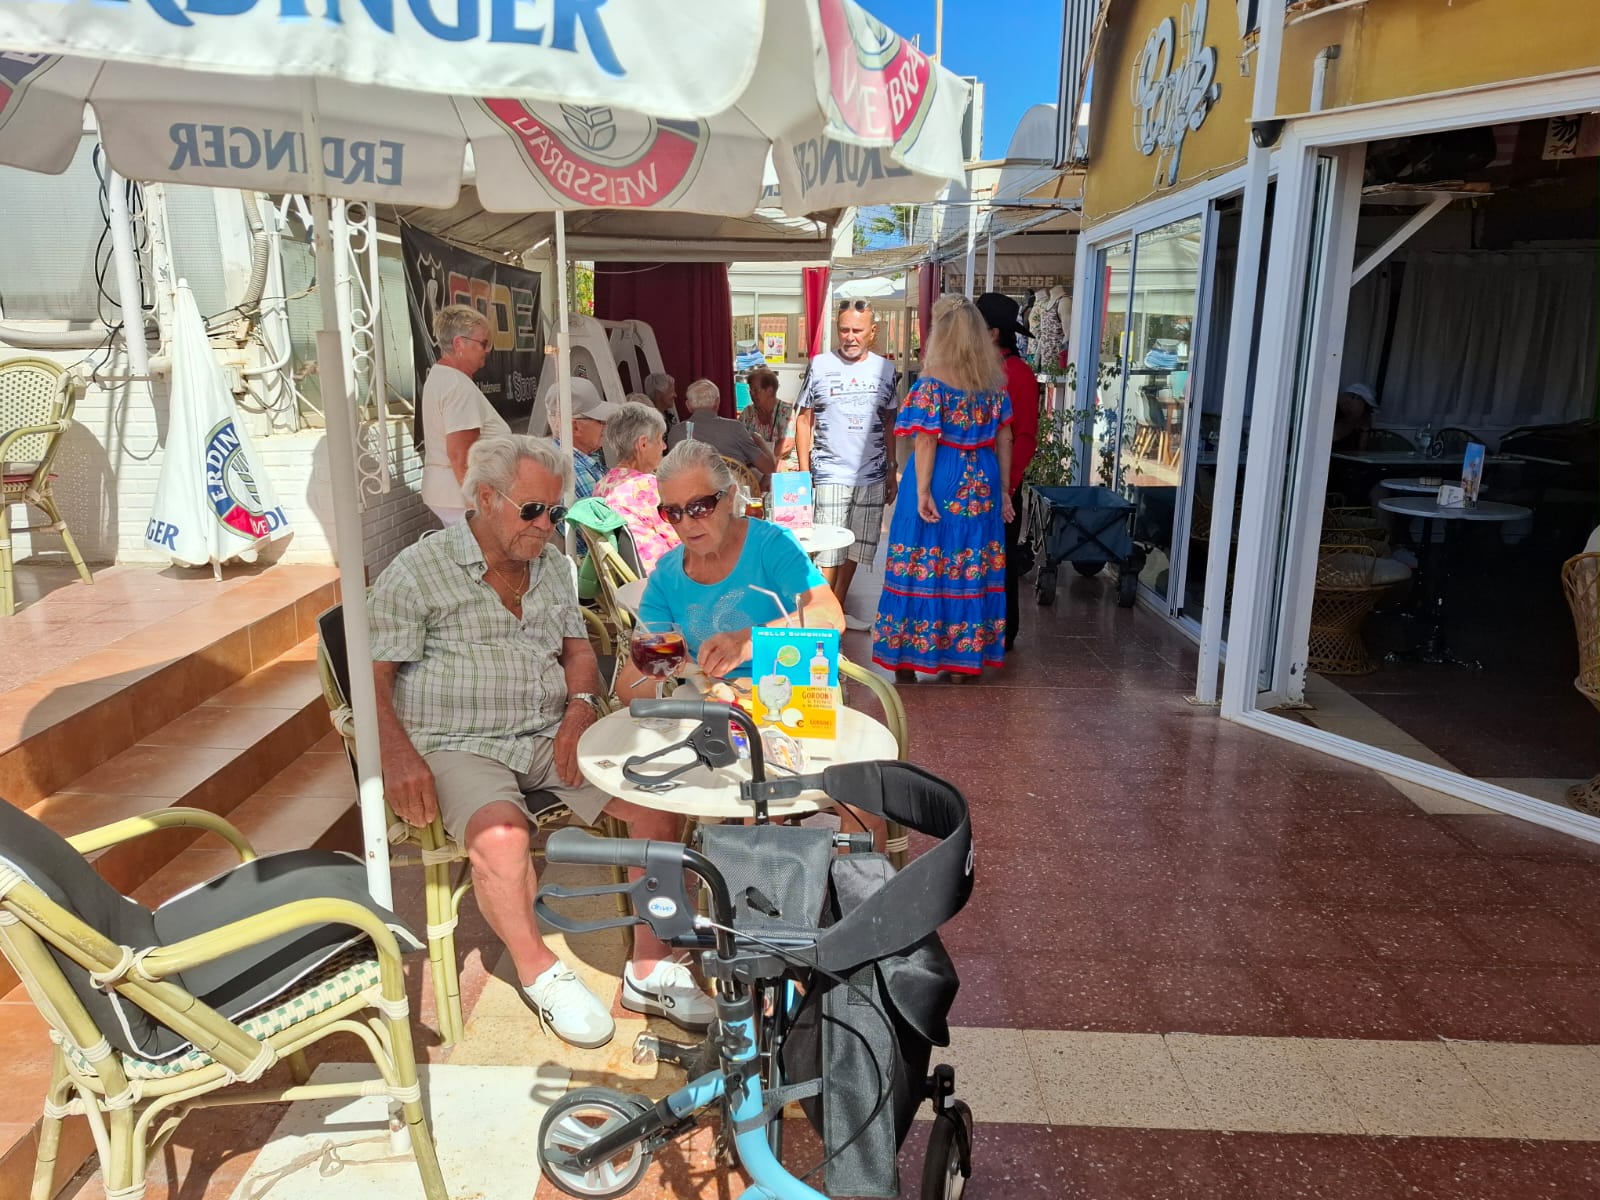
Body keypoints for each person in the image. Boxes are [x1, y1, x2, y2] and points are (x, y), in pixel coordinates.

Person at [369, 434, 713, 1048]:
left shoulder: (551, 564)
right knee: (502, 838)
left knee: (657, 801)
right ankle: (540, 971)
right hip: (459, 740)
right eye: (532, 510)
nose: (546, 526)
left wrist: (579, 710)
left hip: (549, 731)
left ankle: (650, 964)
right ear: (484, 498)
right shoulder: (419, 570)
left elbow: (578, 651)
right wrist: (395, 756)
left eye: (555, 512)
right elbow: (373, 673)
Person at [616, 440, 844, 695]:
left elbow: (830, 615)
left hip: (790, 694)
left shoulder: (771, 545)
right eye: (673, 512)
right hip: (713, 704)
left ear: (730, 497)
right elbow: (627, 687)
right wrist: (666, 665)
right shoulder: (667, 575)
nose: (686, 524)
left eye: (699, 507)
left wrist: (749, 641)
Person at [872, 295, 1013, 683]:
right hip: (982, 478)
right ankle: (960, 662)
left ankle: (907, 656)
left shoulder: (932, 382)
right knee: (969, 563)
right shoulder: (993, 381)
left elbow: (925, 440)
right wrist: (1003, 490)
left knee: (920, 558)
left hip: (939, 476)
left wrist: (922, 492)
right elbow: (1005, 438)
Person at [794, 300, 900, 625]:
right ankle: (820, 616)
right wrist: (804, 473)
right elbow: (804, 420)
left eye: (857, 330)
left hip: (872, 474)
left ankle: (835, 608)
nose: (850, 337)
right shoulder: (820, 365)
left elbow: (890, 422)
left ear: (872, 332)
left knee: (857, 547)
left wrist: (891, 470)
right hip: (829, 472)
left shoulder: (886, 370)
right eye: (844, 330)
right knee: (827, 551)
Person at [976, 293, 1040, 654]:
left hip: (1001, 484)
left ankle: (1004, 631)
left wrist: (1007, 487)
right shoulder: (979, 370)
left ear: (993, 333)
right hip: (973, 483)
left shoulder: (1017, 373)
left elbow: (1024, 437)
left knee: (1001, 558)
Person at [420, 304, 509, 526]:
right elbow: (461, 454)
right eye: (483, 343)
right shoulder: (457, 385)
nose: (487, 350)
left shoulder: (443, 377)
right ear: (459, 344)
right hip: (461, 498)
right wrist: (476, 505)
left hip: (449, 492)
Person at [594, 400, 679, 573]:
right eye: (660, 439)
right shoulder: (647, 486)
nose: (664, 446)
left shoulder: (603, 484)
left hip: (627, 575)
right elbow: (681, 538)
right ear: (643, 444)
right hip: (663, 576)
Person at [666, 379, 775, 480]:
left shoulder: (675, 432)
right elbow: (769, 468)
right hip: (732, 492)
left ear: (688, 405)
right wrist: (760, 441)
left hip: (690, 493)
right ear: (717, 402)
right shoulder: (734, 428)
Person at [547, 376, 622, 499]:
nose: (605, 426)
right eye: (600, 421)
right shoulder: (573, 470)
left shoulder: (582, 459)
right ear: (575, 427)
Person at [738, 366, 798, 472]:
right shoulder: (747, 413)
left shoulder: (785, 411)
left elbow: (787, 444)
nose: (751, 393)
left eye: (755, 390)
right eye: (750, 390)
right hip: (755, 466)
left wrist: (763, 461)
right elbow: (739, 441)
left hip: (782, 464)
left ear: (770, 391)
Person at [1332, 383, 1379, 452]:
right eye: (1366, 408)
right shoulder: (1330, 407)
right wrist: (1353, 419)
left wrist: (1365, 430)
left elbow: (1360, 453)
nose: (1366, 413)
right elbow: (1331, 437)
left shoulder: (1355, 421)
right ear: (1356, 398)